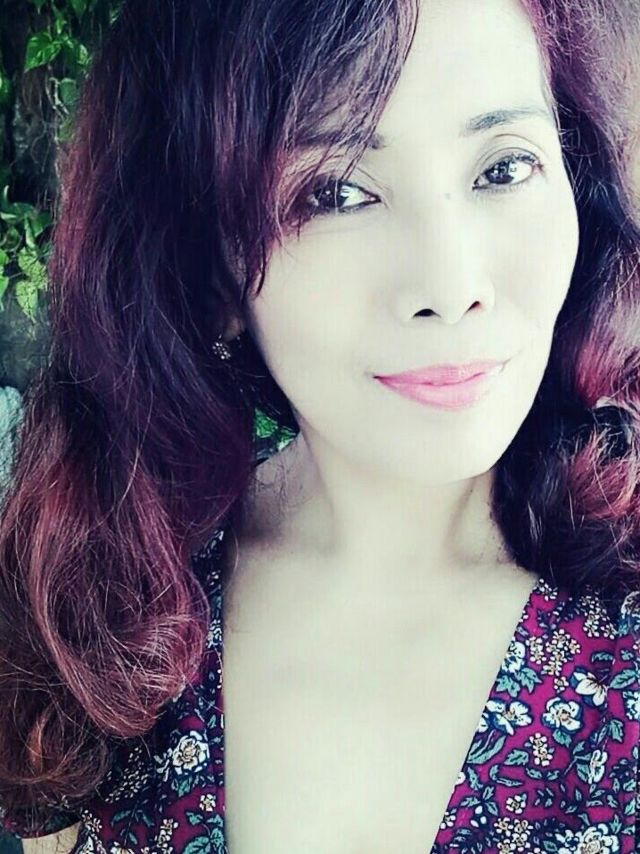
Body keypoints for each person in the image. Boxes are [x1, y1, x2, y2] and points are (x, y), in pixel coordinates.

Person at [2, 0, 640, 850]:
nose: (452, 288)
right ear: (212, 271)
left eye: (504, 168)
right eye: (337, 193)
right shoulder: (97, 598)